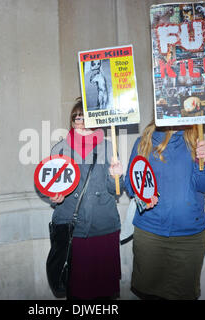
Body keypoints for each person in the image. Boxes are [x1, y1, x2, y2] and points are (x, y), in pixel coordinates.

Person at [124, 122, 205, 300]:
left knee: (184, 295)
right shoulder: (144, 142)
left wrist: (204, 160)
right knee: (149, 294)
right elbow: (131, 184)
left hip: (189, 237)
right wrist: (142, 196)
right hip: (150, 234)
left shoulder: (196, 141)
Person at [49, 98, 123, 299]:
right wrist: (54, 197)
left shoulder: (109, 147)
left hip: (103, 226)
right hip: (74, 231)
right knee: (78, 291)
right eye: (76, 118)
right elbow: (51, 185)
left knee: (104, 292)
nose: (80, 123)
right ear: (72, 122)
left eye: (85, 118)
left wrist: (116, 176)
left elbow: (116, 190)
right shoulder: (60, 149)